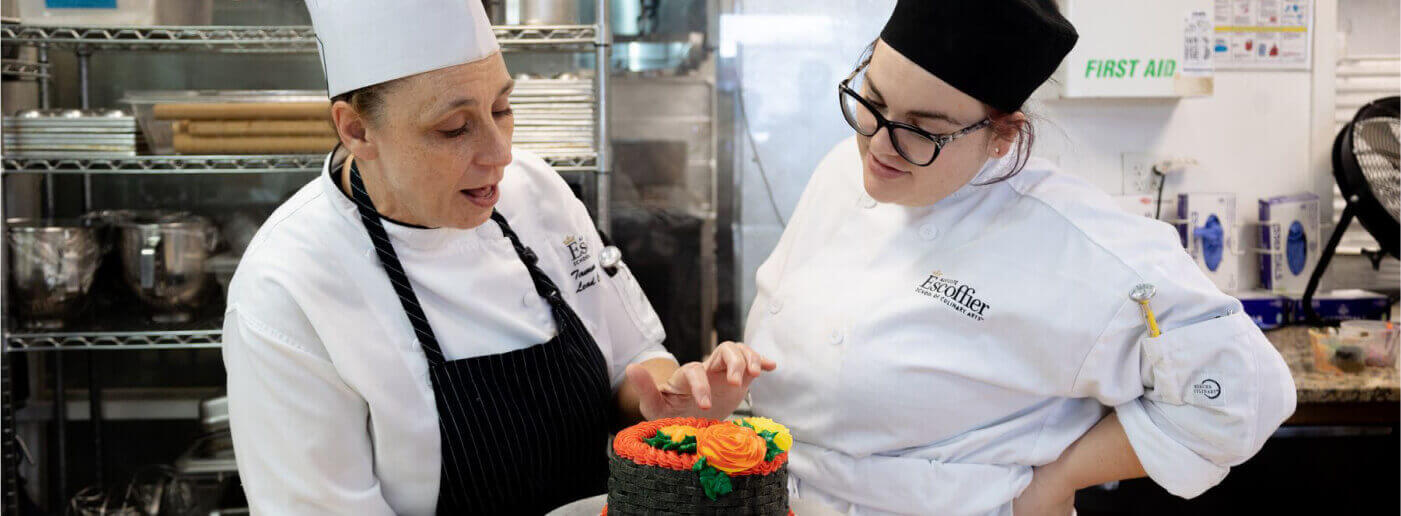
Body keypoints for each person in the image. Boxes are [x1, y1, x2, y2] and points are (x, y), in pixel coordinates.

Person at [741, 1, 1296, 515]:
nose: (881, 144)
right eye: (874, 101)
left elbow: (1243, 394)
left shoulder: (1074, 243)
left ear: (1002, 135)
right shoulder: (846, 168)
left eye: (922, 130)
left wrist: (1061, 477)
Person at [221, 1, 773, 514]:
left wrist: (672, 406)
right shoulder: (287, 287)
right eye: (455, 128)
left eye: (502, 108)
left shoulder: (538, 190)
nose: (501, 153)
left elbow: (635, 357)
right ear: (357, 129)